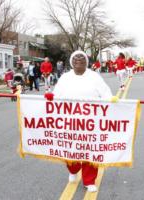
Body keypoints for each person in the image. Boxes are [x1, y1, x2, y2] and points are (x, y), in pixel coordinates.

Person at [50, 50, 113, 193]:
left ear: (86, 62)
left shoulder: (94, 77)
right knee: (70, 149)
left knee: (90, 150)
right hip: (69, 121)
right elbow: (56, 95)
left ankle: (89, 180)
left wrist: (111, 100)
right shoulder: (65, 77)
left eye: (82, 58)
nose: (79, 59)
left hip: (91, 121)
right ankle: (73, 169)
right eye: (76, 58)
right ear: (72, 62)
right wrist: (50, 97)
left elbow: (105, 93)